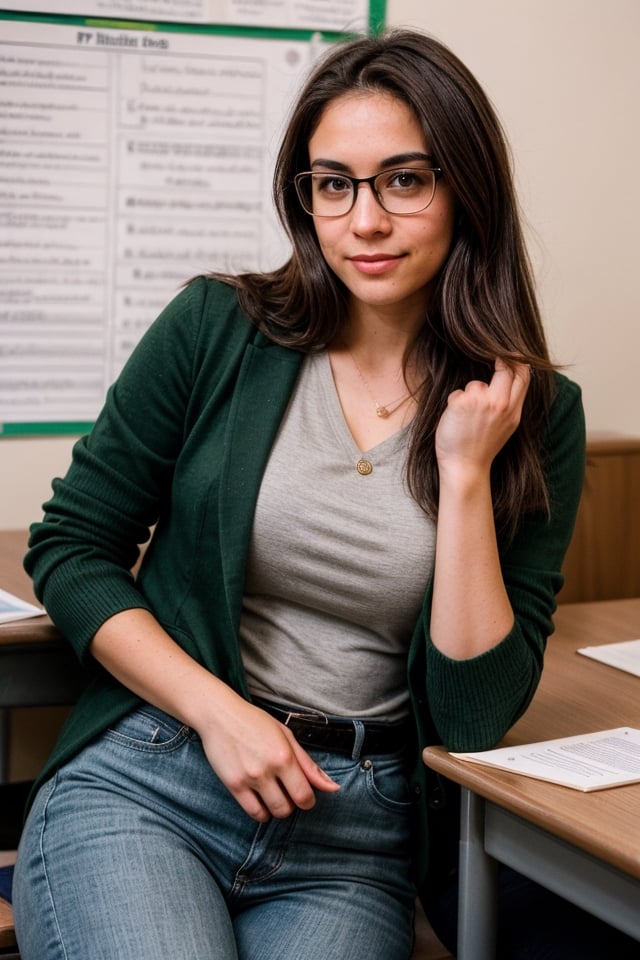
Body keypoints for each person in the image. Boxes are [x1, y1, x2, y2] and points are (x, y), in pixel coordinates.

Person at [11, 26, 627, 960]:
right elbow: (71, 547)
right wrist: (221, 713)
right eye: (332, 183)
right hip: (157, 776)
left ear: (468, 190)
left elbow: (471, 718)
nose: (363, 221)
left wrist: (464, 477)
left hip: (356, 834)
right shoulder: (216, 328)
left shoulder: (532, 413)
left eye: (404, 181)